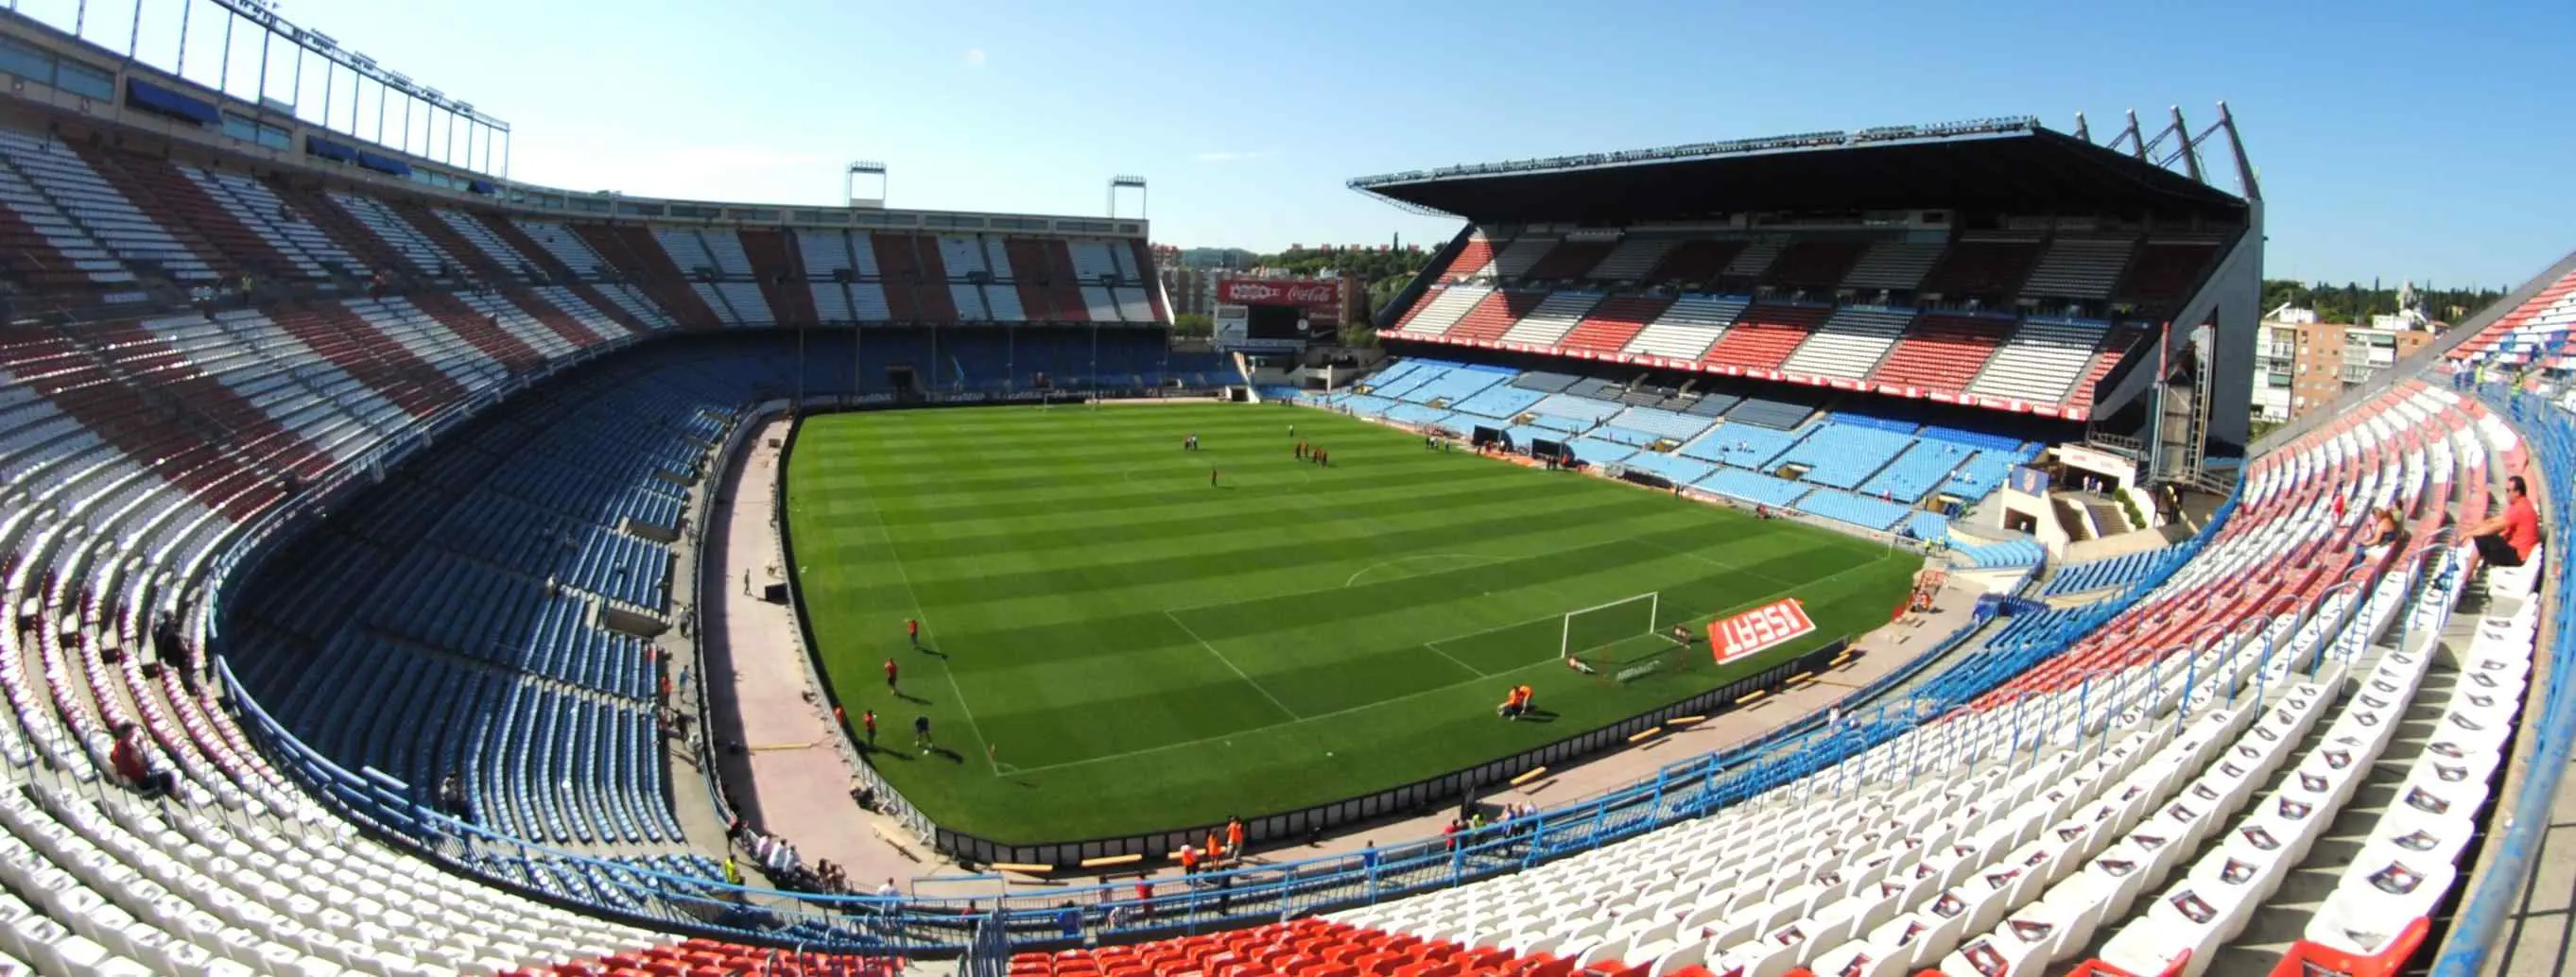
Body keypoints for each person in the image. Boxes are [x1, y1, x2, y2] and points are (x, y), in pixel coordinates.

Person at [2467, 475, 2542, 573]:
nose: (2506, 494)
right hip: (2515, 552)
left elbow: (2492, 528)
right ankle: (2474, 569)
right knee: (2488, 538)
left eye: (2508, 490)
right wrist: (2474, 528)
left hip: (2518, 558)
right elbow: (2494, 521)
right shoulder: (2521, 504)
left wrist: (2467, 534)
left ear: (2517, 493)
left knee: (2483, 540)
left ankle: (2465, 579)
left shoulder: (2520, 509)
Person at [111, 725, 173, 798]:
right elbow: (144, 763)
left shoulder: (118, 744)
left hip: (125, 776)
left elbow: (112, 757)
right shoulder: (132, 751)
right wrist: (139, 746)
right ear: (127, 736)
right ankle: (155, 795)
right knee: (168, 776)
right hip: (139, 783)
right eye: (132, 735)